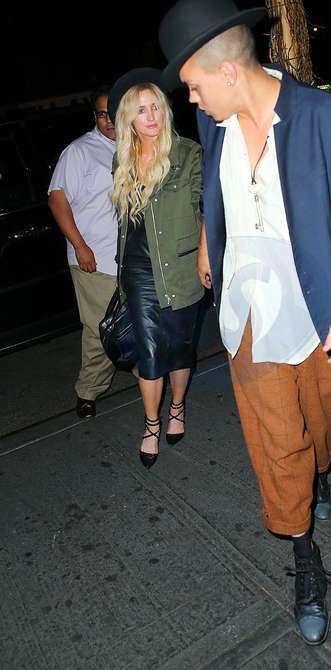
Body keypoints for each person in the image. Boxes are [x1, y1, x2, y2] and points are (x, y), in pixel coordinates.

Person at [158, 0, 331, 646]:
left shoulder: (329, 118)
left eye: (194, 85)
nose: (190, 100)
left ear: (227, 71)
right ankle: (304, 552)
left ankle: (317, 471)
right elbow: (213, 187)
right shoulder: (214, 122)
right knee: (277, 442)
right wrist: (209, 240)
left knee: (326, 421)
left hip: (317, 305)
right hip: (249, 309)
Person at [108, 68, 204, 469]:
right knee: (149, 351)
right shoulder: (122, 158)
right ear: (128, 118)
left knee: (178, 350)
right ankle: (151, 424)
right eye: (141, 110)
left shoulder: (189, 153)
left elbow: (206, 210)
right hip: (138, 270)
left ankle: (177, 407)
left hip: (178, 268)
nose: (150, 116)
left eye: (155, 107)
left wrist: (205, 254)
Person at [48, 85, 117, 419]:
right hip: (96, 260)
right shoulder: (79, 152)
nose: (109, 119)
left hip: (133, 257)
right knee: (100, 329)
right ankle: (88, 391)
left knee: (140, 321)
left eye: (114, 112)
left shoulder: (136, 146)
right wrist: (80, 246)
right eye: (102, 113)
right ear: (95, 116)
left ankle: (148, 375)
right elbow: (57, 200)